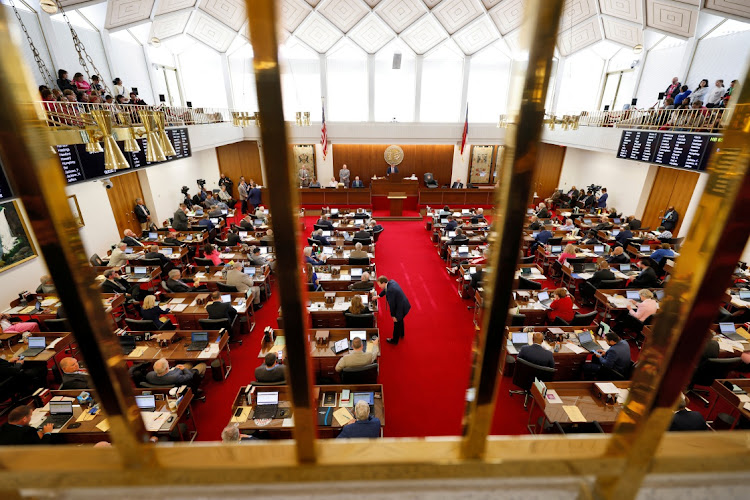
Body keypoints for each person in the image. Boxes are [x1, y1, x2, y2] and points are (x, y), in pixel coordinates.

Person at [376, 276, 411, 345]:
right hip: (404, 304)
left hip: (400, 308)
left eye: (379, 284)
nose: (379, 286)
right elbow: (385, 290)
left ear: (383, 283)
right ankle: (402, 334)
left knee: (396, 323)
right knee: (400, 320)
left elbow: (392, 305)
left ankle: (394, 340)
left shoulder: (390, 291)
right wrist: (378, 296)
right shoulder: (391, 282)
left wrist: (393, 316)